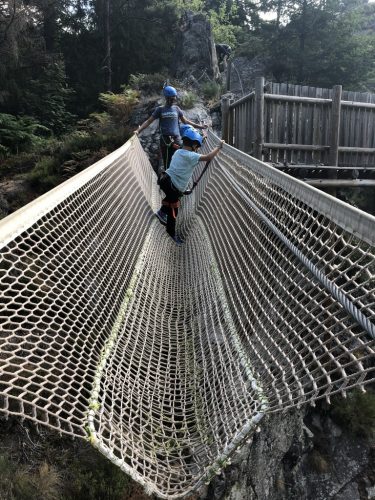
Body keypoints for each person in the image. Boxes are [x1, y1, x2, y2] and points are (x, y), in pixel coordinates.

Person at [155, 127, 224, 245]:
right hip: (173, 186)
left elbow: (191, 154)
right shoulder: (191, 156)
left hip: (165, 179)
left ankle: (161, 212)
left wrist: (202, 138)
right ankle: (171, 234)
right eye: (197, 147)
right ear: (193, 146)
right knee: (174, 209)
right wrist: (218, 147)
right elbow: (208, 157)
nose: (197, 149)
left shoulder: (179, 151)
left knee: (171, 199)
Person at [134, 85, 207, 171]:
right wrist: (138, 130)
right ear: (166, 98)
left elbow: (186, 121)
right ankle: (167, 179)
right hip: (165, 140)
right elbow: (149, 121)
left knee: (180, 158)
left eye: (174, 98)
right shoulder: (160, 109)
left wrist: (200, 126)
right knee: (167, 162)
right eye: (171, 98)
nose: (173, 100)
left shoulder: (176, 109)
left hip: (176, 138)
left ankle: (177, 178)